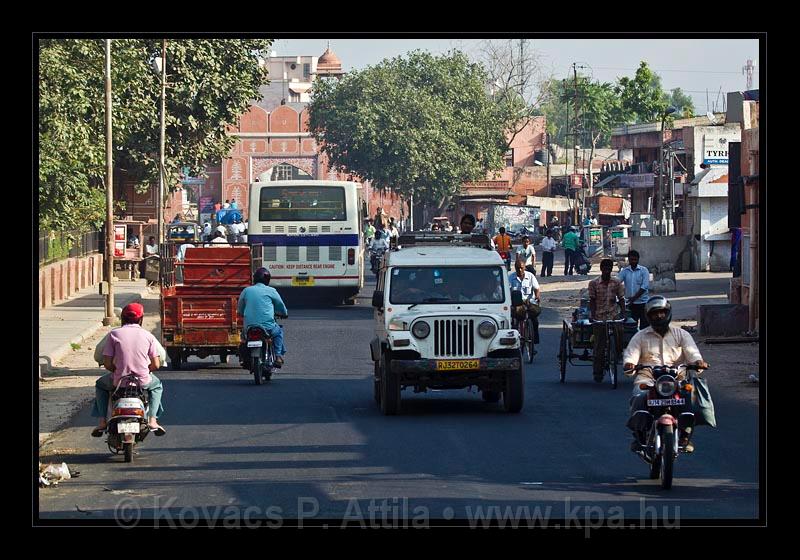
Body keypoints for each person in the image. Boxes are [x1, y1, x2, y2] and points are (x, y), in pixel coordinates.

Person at [623, 296, 710, 453]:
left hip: (677, 379)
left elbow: (692, 352)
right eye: (655, 313)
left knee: (691, 397)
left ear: (668, 313)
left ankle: (685, 434)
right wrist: (630, 363)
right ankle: (639, 435)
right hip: (648, 379)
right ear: (648, 316)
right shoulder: (640, 336)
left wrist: (697, 362)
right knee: (639, 397)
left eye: (662, 312)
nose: (659, 316)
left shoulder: (681, 334)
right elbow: (631, 354)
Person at [91, 303, 166, 437]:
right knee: (157, 386)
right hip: (142, 381)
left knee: (100, 385)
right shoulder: (148, 336)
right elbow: (156, 364)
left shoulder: (114, 334)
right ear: (141, 319)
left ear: (122, 318)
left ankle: (102, 421)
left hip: (119, 381)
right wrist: (145, 370)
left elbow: (107, 363)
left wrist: (117, 371)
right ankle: (153, 420)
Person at [238, 267, 288, 367]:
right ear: (267, 279)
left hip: (249, 327)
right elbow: (280, 306)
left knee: (244, 339)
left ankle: (244, 358)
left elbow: (240, 307)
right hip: (267, 327)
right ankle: (278, 356)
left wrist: (242, 313)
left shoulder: (246, 290)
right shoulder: (271, 290)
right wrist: (284, 313)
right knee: (278, 332)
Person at [588, 258, 626, 382]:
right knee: (599, 346)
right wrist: (593, 315)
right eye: (605, 269)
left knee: (620, 333)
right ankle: (597, 372)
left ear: (611, 270)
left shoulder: (616, 282)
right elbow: (592, 300)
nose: (607, 271)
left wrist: (623, 313)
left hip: (613, 315)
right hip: (599, 316)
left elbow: (621, 299)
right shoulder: (593, 283)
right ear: (601, 269)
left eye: (609, 269)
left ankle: (618, 352)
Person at [508, 258, 541, 347]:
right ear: (515, 268)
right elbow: (507, 290)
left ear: (524, 268)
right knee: (514, 322)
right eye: (517, 268)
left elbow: (537, 288)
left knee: (535, 321)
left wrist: (537, 296)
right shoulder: (511, 277)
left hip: (529, 302)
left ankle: (534, 340)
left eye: (521, 268)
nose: (519, 270)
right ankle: (513, 340)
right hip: (517, 304)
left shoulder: (530, 276)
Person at [618, 250, 650, 330]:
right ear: (628, 259)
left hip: (643, 303)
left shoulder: (644, 270)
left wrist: (633, 298)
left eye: (635, 259)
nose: (633, 261)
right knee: (631, 327)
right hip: (631, 305)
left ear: (638, 259)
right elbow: (617, 282)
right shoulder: (625, 271)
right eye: (631, 259)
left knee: (645, 328)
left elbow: (644, 287)